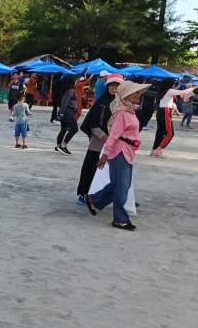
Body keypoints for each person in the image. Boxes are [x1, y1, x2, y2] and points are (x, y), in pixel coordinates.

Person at [84, 81, 151, 231]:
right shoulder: (122, 113)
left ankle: (94, 199)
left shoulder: (130, 110)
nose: (139, 95)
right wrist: (105, 155)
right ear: (126, 95)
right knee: (122, 187)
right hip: (120, 152)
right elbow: (113, 135)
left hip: (126, 151)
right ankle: (120, 219)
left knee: (119, 185)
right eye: (135, 93)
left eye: (139, 93)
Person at [76, 74, 123, 205]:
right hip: (98, 142)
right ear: (107, 86)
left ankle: (111, 197)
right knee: (91, 168)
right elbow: (92, 122)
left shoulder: (122, 103)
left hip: (115, 143)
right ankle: (83, 194)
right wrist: (103, 136)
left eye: (117, 85)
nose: (114, 88)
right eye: (112, 85)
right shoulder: (101, 102)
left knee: (111, 172)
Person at [151, 80, 198, 158]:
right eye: (173, 84)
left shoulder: (163, 91)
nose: (173, 85)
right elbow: (184, 92)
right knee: (170, 133)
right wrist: (195, 87)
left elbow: (173, 100)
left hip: (160, 111)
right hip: (165, 111)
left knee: (160, 132)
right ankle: (157, 151)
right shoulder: (169, 91)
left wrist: (176, 110)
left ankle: (154, 150)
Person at [55, 78, 79, 155]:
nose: (76, 82)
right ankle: (63, 146)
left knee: (63, 129)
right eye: (75, 81)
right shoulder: (70, 91)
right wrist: (61, 113)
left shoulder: (68, 90)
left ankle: (58, 146)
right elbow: (64, 102)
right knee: (74, 129)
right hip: (67, 112)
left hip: (67, 111)